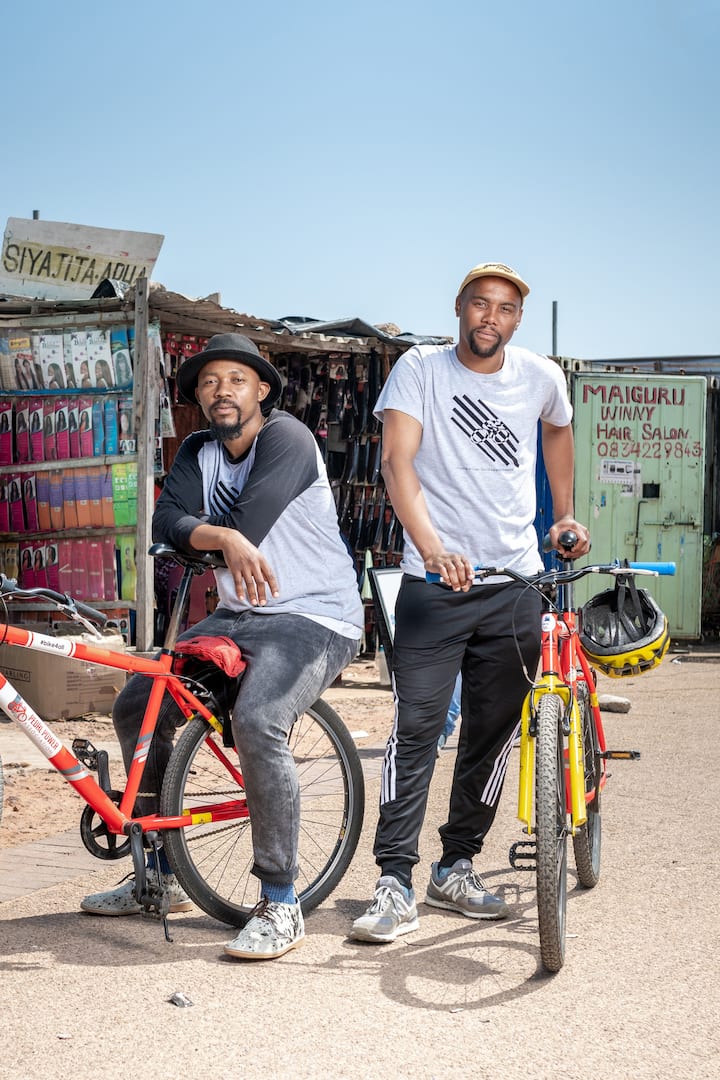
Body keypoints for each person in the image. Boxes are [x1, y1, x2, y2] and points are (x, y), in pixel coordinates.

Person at [80, 332, 363, 960]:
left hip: (315, 617)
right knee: (136, 705)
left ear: (261, 390)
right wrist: (223, 541)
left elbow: (243, 523)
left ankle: (281, 901)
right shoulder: (197, 450)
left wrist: (216, 536)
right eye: (209, 382)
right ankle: (157, 874)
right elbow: (165, 524)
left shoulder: (287, 438)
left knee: (259, 717)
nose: (221, 391)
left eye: (236, 380)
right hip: (239, 615)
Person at [350, 262, 591, 943]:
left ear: (517, 319)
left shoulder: (542, 377)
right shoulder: (420, 369)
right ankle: (394, 880)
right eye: (480, 304)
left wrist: (564, 515)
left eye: (505, 308)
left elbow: (558, 430)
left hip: (512, 585)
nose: (491, 316)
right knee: (417, 731)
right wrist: (431, 549)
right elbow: (398, 462)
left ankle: (456, 866)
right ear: (460, 308)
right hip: (434, 588)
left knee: (491, 736)